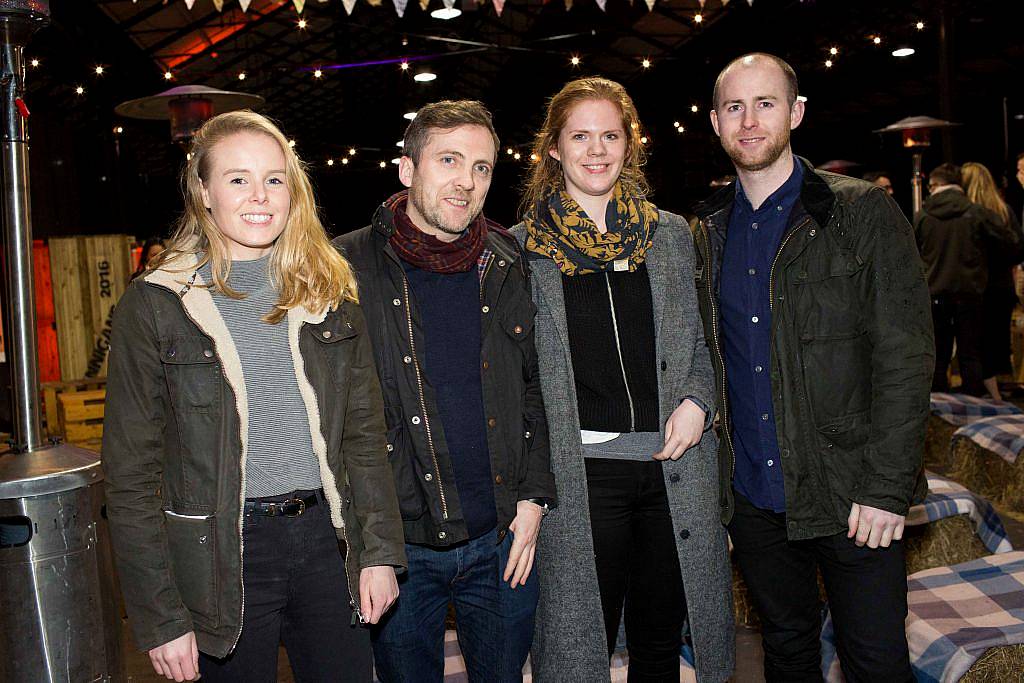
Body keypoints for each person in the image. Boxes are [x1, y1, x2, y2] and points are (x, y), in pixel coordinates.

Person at [103, 110, 406, 683]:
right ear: (203, 191)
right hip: (221, 552)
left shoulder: (328, 291)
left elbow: (364, 436)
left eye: (274, 178)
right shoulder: (157, 305)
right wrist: (161, 616)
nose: (260, 195)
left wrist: (379, 552)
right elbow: (131, 477)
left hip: (326, 542)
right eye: (238, 178)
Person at [692, 53, 933, 682]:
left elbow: (906, 355)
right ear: (716, 122)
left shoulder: (859, 213)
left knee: (876, 660)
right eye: (734, 107)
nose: (749, 121)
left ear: (795, 113)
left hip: (853, 494)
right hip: (756, 499)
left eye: (765, 103)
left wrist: (887, 486)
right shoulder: (707, 232)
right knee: (787, 651)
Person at [513, 77, 734, 682]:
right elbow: (518, 376)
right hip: (581, 479)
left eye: (611, 135)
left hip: (672, 467)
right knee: (579, 650)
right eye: (580, 136)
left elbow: (702, 340)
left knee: (661, 642)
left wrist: (697, 400)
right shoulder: (522, 250)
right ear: (552, 149)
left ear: (630, 145)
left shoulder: (667, 235)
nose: (597, 149)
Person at [335, 100, 556, 683]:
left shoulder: (507, 260)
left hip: (501, 539)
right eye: (450, 160)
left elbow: (538, 391)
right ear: (407, 170)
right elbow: (331, 416)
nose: (467, 181)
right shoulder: (344, 267)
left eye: (482, 167)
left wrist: (533, 501)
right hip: (401, 551)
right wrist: (366, 545)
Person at [916, 162, 1012, 396]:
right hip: (970, 293)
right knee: (971, 354)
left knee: (938, 355)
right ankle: (972, 408)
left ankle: (938, 410)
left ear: (934, 185)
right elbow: (1010, 242)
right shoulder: (977, 212)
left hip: (935, 294)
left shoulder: (923, 216)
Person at [962, 161, 1024, 399]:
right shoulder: (1003, 210)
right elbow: (1019, 247)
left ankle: (986, 394)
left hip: (978, 287)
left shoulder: (968, 215)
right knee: (996, 343)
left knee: (975, 344)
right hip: (1002, 286)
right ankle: (996, 390)